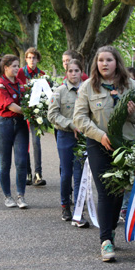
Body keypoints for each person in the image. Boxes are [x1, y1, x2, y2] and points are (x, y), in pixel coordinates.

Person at [73, 45, 135, 262]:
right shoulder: (87, 87)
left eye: (109, 60)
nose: (104, 64)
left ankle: (111, 229)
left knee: (119, 191)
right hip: (99, 145)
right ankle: (105, 240)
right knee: (105, 191)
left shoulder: (129, 85)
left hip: (124, 145)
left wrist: (133, 113)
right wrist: (99, 135)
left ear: (117, 63)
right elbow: (79, 118)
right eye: (100, 60)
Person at [48, 59, 88, 228]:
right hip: (65, 136)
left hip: (84, 138)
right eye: (70, 71)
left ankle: (78, 212)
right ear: (67, 73)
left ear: (81, 72)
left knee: (80, 174)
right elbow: (52, 115)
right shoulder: (59, 92)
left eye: (76, 71)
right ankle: (65, 205)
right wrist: (71, 124)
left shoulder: (88, 90)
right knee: (66, 173)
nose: (73, 74)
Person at [0, 54, 29, 209]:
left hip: (20, 125)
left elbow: (28, 98)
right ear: (5, 67)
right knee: (5, 163)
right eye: (14, 66)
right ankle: (7, 196)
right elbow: (11, 106)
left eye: (17, 65)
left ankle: (21, 195)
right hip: (4, 125)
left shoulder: (21, 83)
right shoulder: (0, 85)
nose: (17, 68)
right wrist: (30, 112)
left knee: (22, 161)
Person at [16, 47, 46, 186]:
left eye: (34, 57)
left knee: (36, 142)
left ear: (37, 59)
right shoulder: (21, 73)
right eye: (29, 57)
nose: (32, 60)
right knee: (24, 143)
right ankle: (27, 172)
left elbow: (46, 94)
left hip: (36, 114)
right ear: (26, 59)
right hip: (22, 112)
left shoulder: (42, 74)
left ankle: (38, 174)